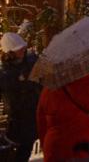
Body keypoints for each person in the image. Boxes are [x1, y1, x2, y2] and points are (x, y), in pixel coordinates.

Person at [37, 74, 89, 162]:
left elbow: (41, 122)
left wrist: (45, 146)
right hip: (86, 143)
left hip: (55, 146)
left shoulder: (48, 89)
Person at [0, 33, 42, 162]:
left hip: (33, 116)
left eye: (23, 47)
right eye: (19, 49)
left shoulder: (31, 62)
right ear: (10, 52)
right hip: (16, 121)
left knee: (26, 149)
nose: (23, 50)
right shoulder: (5, 73)